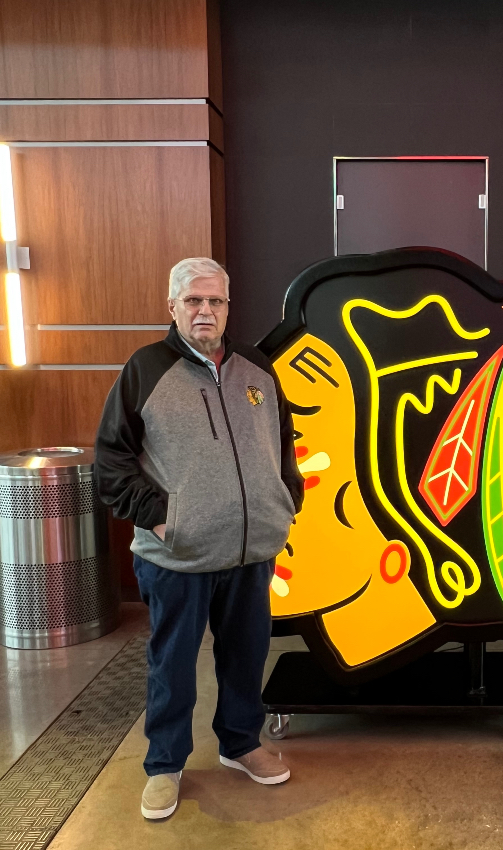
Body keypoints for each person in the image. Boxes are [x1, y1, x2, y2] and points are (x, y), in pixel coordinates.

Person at [95, 257, 304, 820]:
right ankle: (164, 764)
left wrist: (286, 498)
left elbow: (284, 439)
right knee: (173, 666)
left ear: (228, 307)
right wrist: (161, 518)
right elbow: (111, 460)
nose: (205, 310)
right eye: (193, 300)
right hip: (177, 555)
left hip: (250, 551)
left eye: (215, 300)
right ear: (173, 307)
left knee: (246, 656)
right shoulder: (146, 369)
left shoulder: (257, 367)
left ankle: (240, 743)